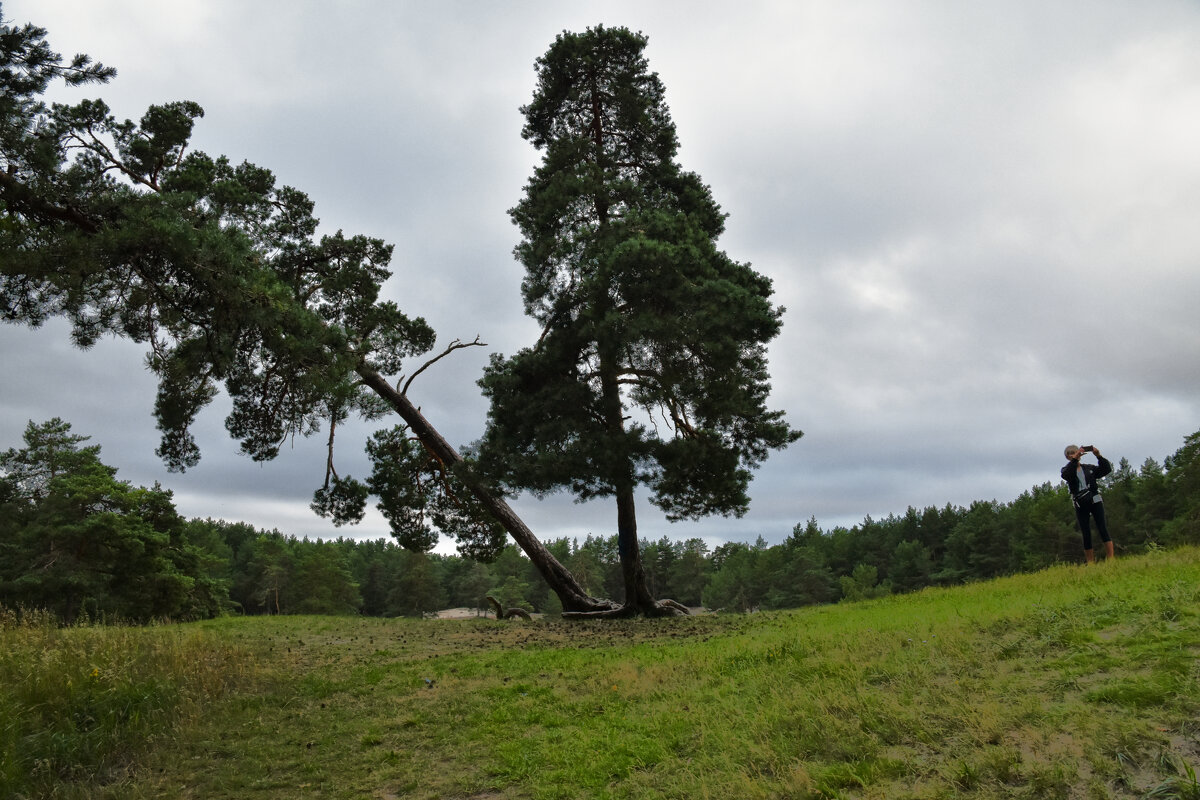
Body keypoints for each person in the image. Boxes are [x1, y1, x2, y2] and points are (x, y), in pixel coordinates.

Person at [1061, 444, 1114, 563]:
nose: (1073, 455)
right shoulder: (1066, 470)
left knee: (1102, 528)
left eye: (1075, 452)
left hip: (1095, 499)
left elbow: (1106, 469)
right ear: (1067, 457)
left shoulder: (1089, 468)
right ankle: (1090, 562)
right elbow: (1066, 475)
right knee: (1086, 532)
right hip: (1080, 502)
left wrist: (1098, 456)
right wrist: (1074, 460)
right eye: (1070, 454)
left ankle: (1111, 558)